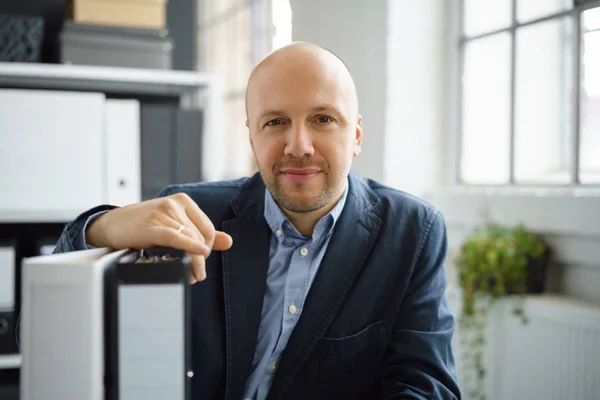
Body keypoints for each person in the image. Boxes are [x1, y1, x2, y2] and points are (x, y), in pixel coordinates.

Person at [51, 42, 460, 399]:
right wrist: (98, 230)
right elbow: (56, 346)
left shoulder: (412, 233)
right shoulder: (186, 215)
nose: (298, 146)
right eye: (276, 122)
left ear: (355, 135)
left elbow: (425, 386)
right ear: (252, 138)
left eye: (323, 119)